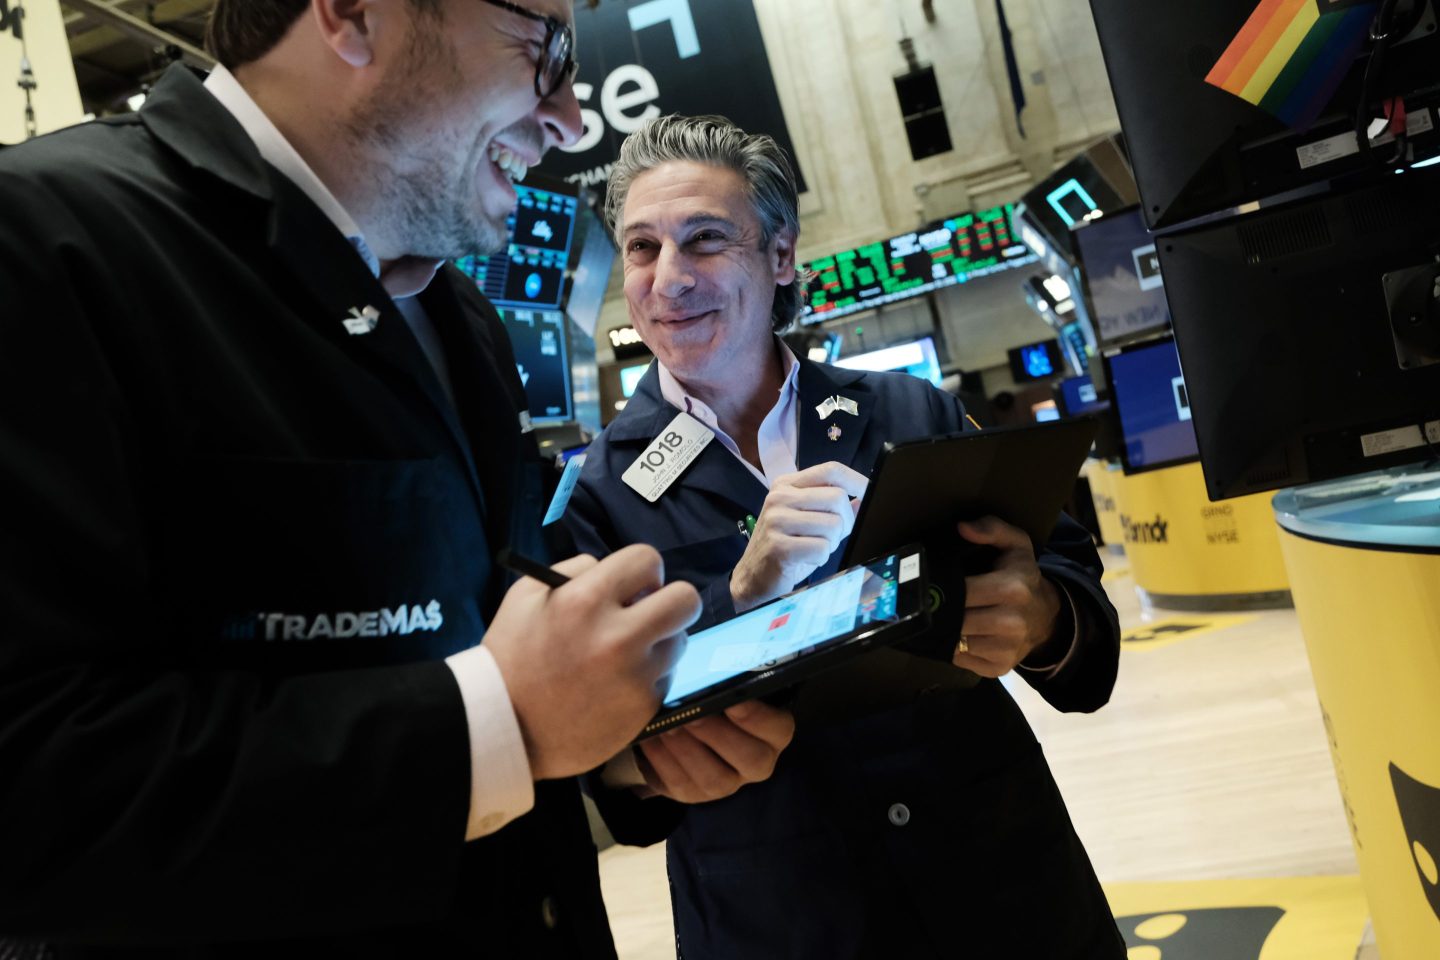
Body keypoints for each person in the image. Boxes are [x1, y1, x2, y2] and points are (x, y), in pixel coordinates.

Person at [0, 3, 801, 957]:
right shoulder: (44, 241)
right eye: (544, 48)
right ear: (351, 14)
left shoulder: (455, 312)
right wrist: (495, 725)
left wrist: (620, 746)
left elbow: (486, 645)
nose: (571, 117)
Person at [565, 115, 1129, 958]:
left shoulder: (909, 412)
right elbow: (601, 746)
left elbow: (1071, 593)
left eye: (706, 239)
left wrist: (1045, 614)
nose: (668, 279)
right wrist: (739, 598)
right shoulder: (599, 494)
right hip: (780, 917)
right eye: (642, 248)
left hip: (999, 886)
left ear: (780, 255)